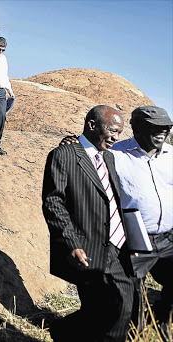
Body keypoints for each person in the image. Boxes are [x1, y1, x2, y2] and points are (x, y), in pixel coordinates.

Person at [61, 106, 173, 338]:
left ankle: (163, 321)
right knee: (128, 299)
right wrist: (72, 142)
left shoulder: (172, 154)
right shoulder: (115, 152)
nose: (163, 133)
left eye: (166, 127)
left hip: (170, 237)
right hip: (135, 242)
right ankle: (75, 330)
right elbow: (87, 154)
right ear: (138, 128)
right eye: (156, 128)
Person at [42, 105, 133, 341]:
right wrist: (70, 242)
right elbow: (53, 202)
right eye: (111, 130)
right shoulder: (64, 154)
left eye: (119, 133)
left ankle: (63, 331)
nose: (115, 137)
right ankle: (65, 332)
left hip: (116, 246)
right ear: (92, 125)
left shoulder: (109, 157)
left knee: (119, 305)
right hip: (87, 247)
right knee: (111, 307)